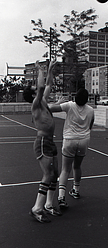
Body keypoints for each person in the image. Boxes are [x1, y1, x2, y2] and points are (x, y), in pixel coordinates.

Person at [23, 60, 61, 223]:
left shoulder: (43, 101)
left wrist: (50, 70)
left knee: (55, 175)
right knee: (48, 174)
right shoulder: (36, 104)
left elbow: (48, 85)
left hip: (49, 141)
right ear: (33, 95)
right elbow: (40, 87)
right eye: (34, 90)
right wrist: (40, 70)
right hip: (43, 142)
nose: (38, 89)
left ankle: (48, 205)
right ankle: (36, 208)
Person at [49, 88, 94, 208]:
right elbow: (90, 126)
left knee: (65, 169)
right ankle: (76, 190)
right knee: (77, 166)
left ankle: (61, 197)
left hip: (70, 139)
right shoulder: (90, 110)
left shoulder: (69, 105)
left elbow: (50, 108)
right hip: (84, 140)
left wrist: (58, 102)